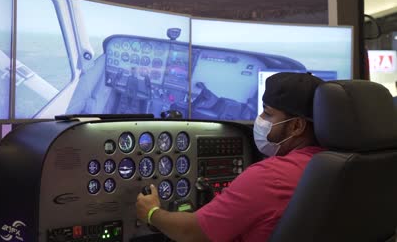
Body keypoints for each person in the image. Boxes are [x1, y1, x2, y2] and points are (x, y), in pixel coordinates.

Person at [136, 72, 327, 242]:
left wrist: (152, 213)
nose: (259, 120)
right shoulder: (342, 166)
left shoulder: (270, 176)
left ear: (296, 126)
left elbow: (191, 232)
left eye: (268, 114)